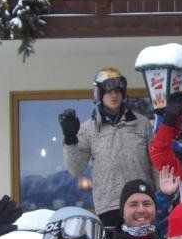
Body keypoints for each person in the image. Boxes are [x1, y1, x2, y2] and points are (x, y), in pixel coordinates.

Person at [61, 67, 154, 227]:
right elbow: (75, 169)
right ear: (99, 94)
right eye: (108, 91)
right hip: (109, 206)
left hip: (141, 202)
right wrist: (70, 140)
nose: (114, 95)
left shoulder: (141, 123)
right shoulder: (88, 128)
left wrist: (160, 195)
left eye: (118, 91)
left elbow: (155, 162)